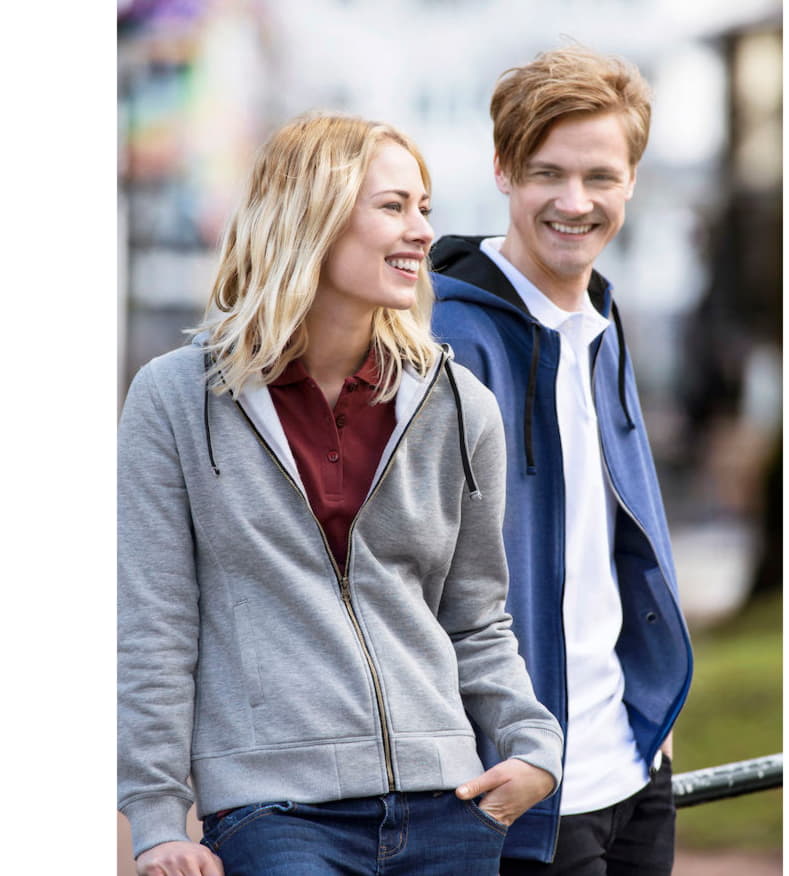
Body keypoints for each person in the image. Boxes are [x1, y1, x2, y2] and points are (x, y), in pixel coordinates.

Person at [118, 112, 564, 876]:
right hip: (276, 810)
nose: (422, 231)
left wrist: (534, 747)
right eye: (393, 206)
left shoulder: (458, 405)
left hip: (445, 803)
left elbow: (477, 617)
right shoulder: (175, 400)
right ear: (310, 218)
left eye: (424, 207)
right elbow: (155, 628)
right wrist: (158, 820)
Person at [430, 47, 694, 875]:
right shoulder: (447, 340)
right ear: (504, 170)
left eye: (600, 177)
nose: (575, 203)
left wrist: (655, 696)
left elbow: (621, 538)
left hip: (633, 768)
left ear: (631, 181)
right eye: (548, 173)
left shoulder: (604, 325)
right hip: (521, 789)